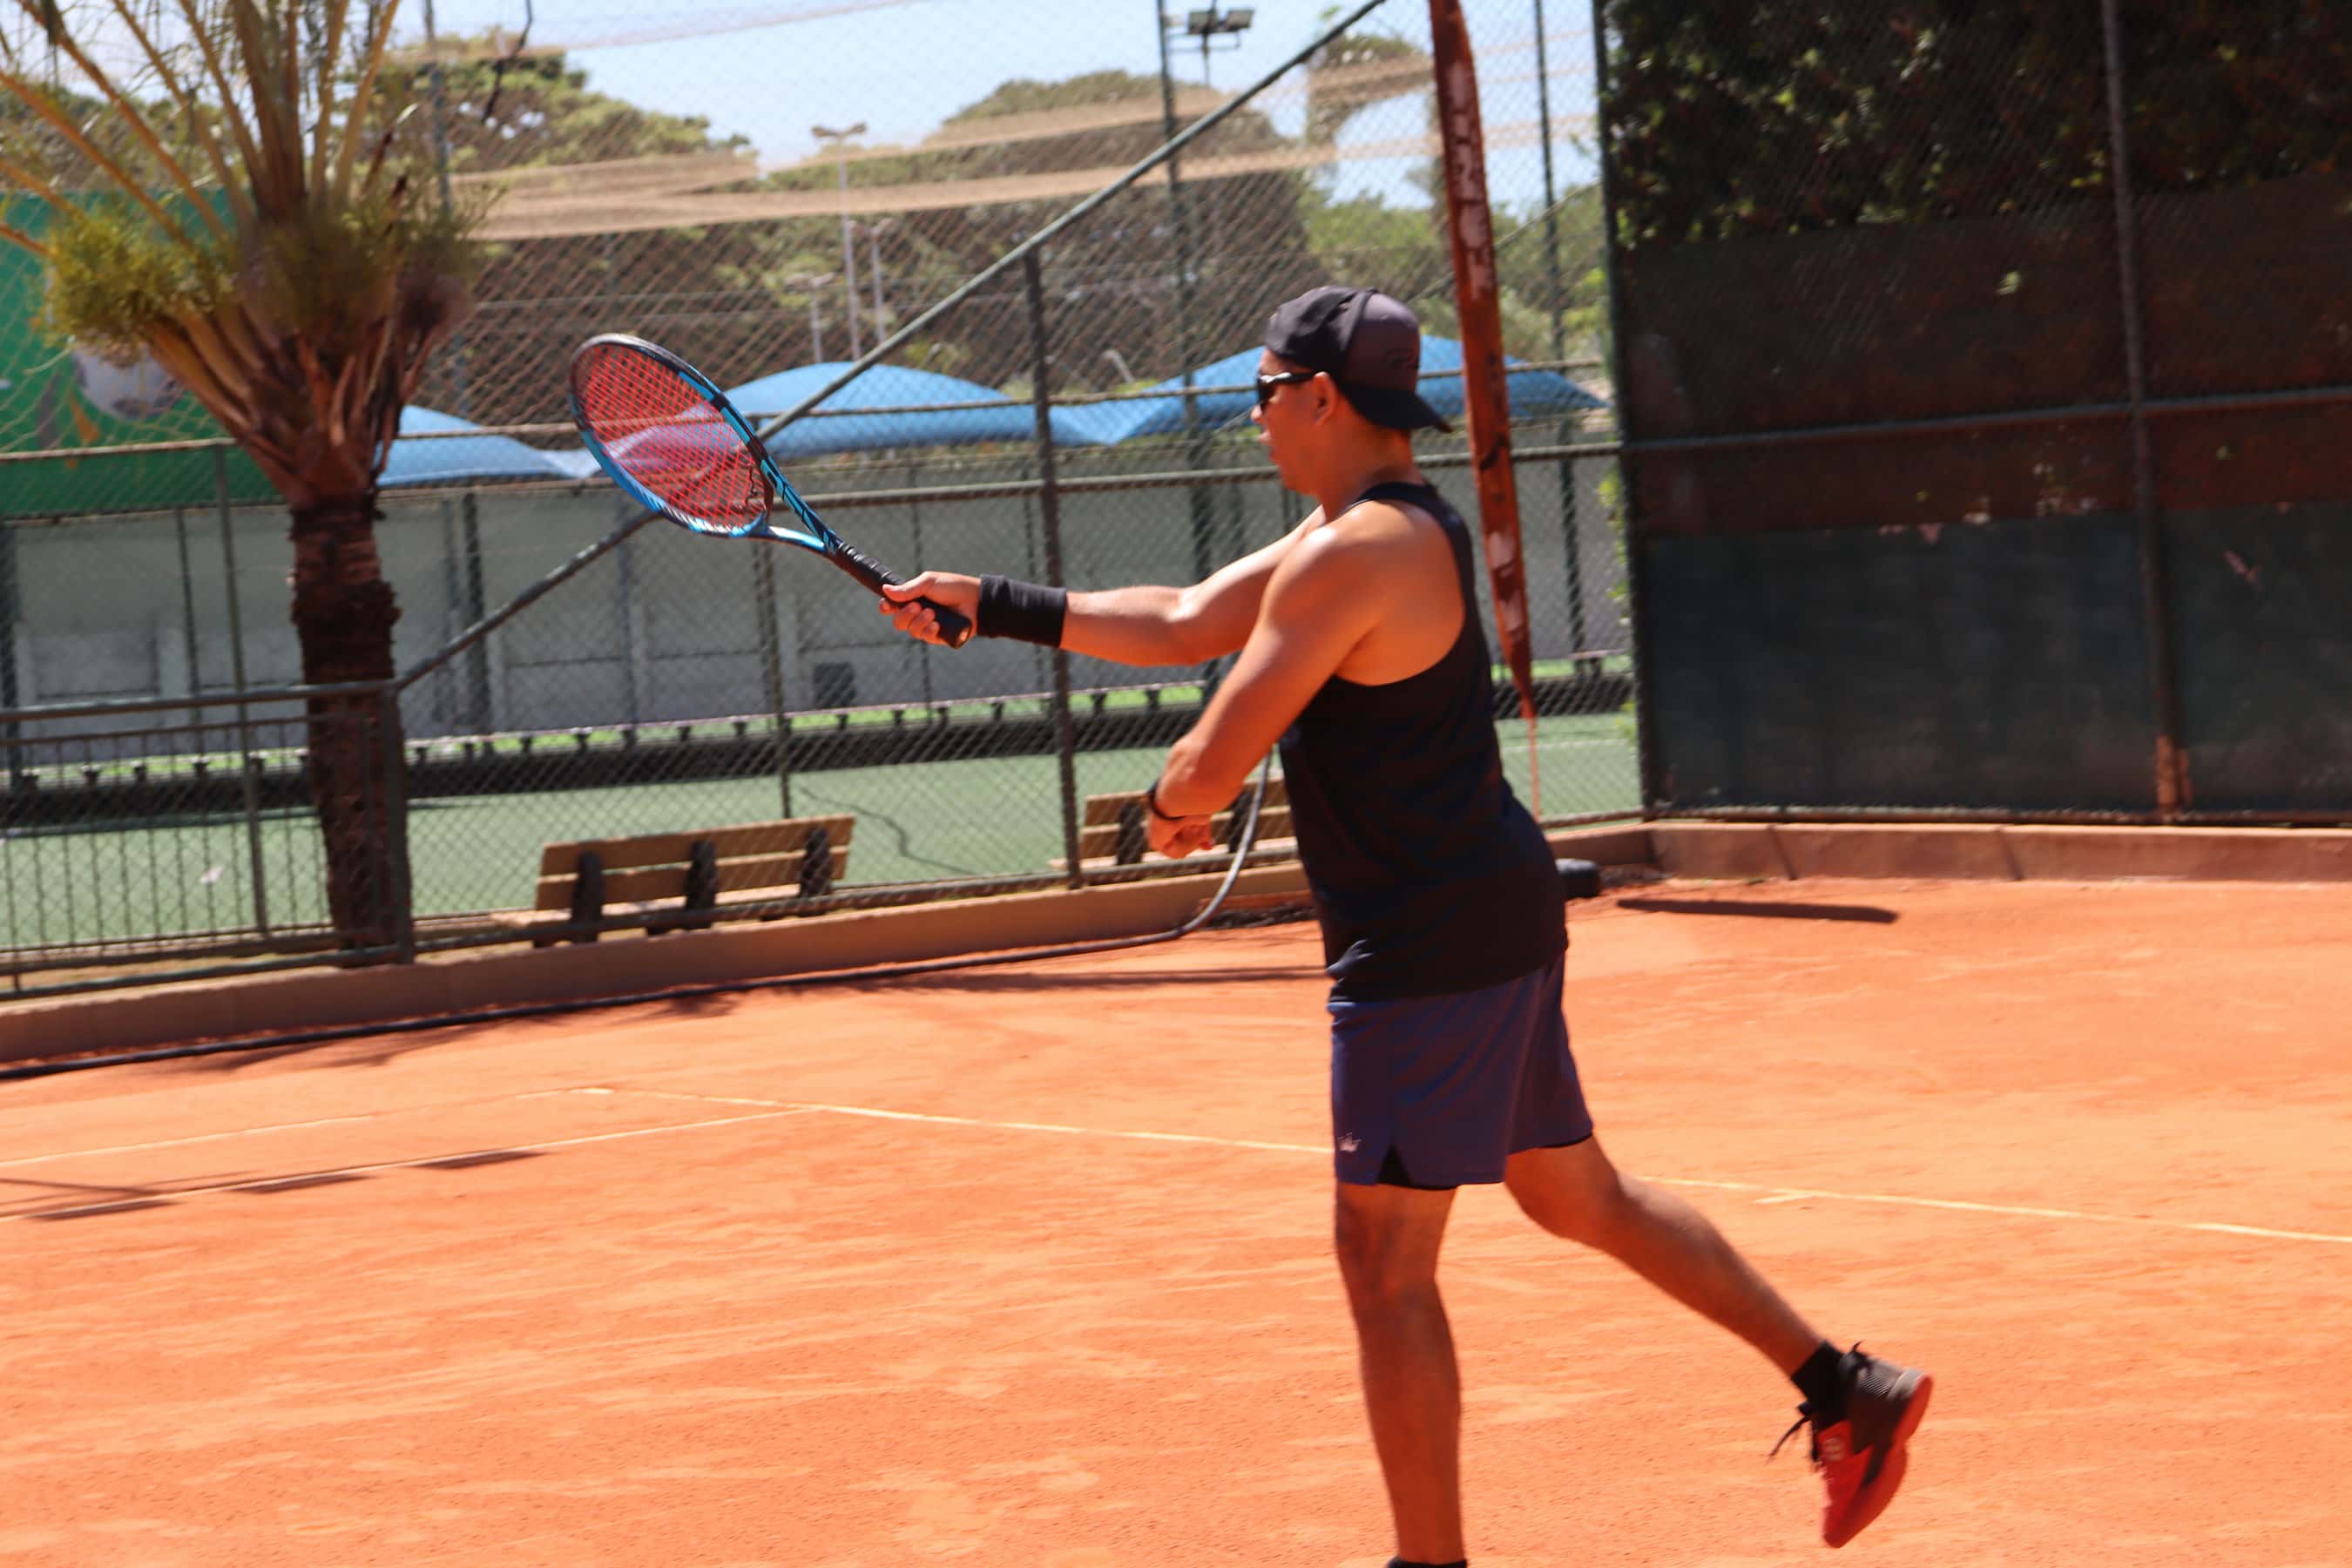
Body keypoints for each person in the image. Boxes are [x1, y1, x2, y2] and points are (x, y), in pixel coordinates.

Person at [878, 284, 1930, 1564]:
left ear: (1322, 397)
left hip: (1428, 947)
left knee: (1384, 1265)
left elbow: (1213, 757)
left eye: (1264, 392)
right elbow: (1187, 620)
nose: (1256, 416)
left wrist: (1171, 806)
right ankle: (1843, 1387)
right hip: (1486, 915)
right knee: (1579, 1196)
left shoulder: (1353, 553)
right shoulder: (1380, 525)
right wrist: (990, 600)